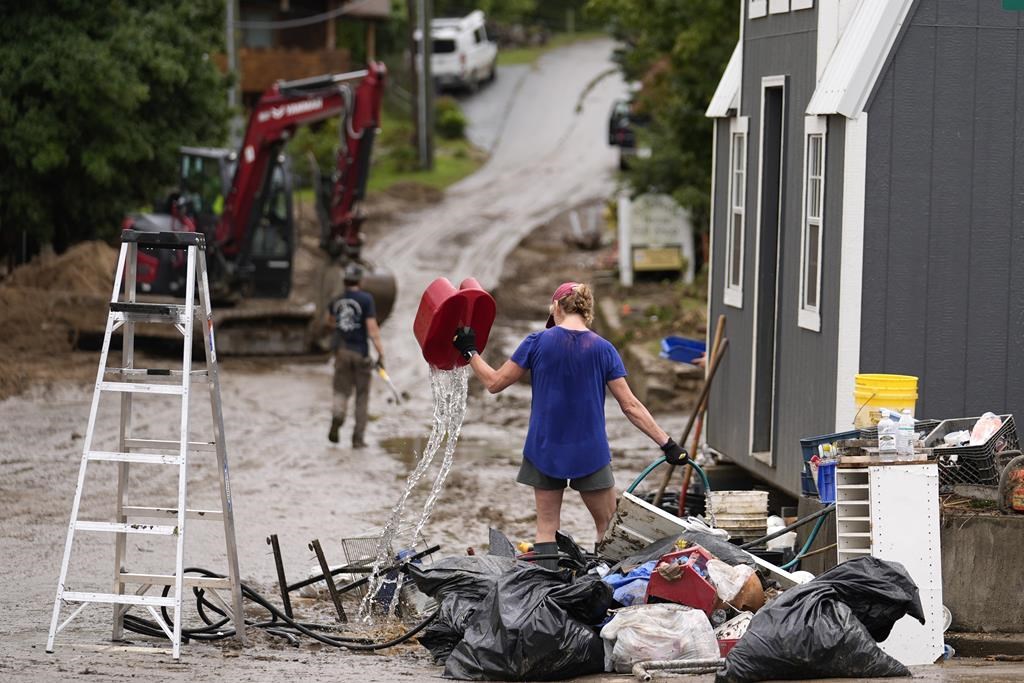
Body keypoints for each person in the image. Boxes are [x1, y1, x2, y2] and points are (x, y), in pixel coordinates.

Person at [452, 282, 687, 562]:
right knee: (607, 527)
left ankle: (546, 593)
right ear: (587, 312)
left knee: (547, 527)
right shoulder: (604, 349)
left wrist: (470, 351)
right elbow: (630, 405)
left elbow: (493, 383)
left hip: (544, 448)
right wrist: (667, 443)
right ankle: (605, 586)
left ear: (556, 307)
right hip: (590, 451)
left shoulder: (537, 342)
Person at [326, 263, 384, 448]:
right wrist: (381, 353)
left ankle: (337, 416)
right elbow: (372, 329)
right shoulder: (366, 299)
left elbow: (330, 322)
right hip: (360, 353)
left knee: (341, 391)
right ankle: (357, 439)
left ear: (344, 281)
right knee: (362, 396)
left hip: (342, 353)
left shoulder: (336, 301)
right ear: (360, 280)